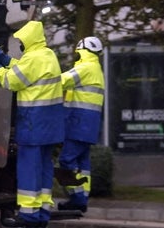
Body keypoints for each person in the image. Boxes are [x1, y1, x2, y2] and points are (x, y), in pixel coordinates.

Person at [0, 21, 64, 228]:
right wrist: (2, 58)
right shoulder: (47, 55)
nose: (20, 44)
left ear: (29, 40)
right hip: (50, 126)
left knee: (29, 169)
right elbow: (23, 70)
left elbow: (11, 81)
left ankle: (28, 215)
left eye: (21, 40)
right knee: (45, 169)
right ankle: (42, 212)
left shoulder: (33, 59)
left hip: (33, 125)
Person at [57, 36, 105, 213]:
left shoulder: (85, 68)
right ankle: (82, 199)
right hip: (88, 125)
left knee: (66, 160)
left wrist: (39, 81)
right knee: (83, 163)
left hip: (78, 124)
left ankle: (77, 198)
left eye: (78, 51)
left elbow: (61, 81)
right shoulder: (96, 69)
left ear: (82, 50)